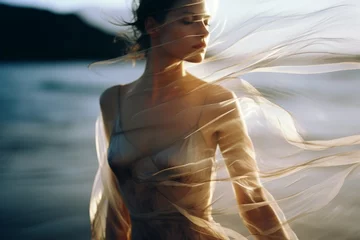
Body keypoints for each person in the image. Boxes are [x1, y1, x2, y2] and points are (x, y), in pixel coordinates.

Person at [90, 0, 360, 239]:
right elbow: (116, 208)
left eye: (206, 21)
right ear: (153, 26)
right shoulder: (112, 101)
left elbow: (253, 199)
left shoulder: (216, 102)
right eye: (189, 20)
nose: (205, 31)